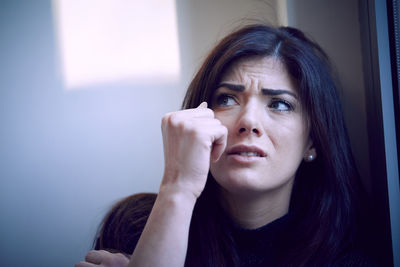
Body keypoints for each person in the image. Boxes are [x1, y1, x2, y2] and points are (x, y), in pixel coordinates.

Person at [76, 24, 375, 267]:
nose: (248, 121)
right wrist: (177, 188)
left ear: (313, 140)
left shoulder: (345, 261)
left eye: (280, 104)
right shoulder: (135, 228)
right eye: (227, 99)